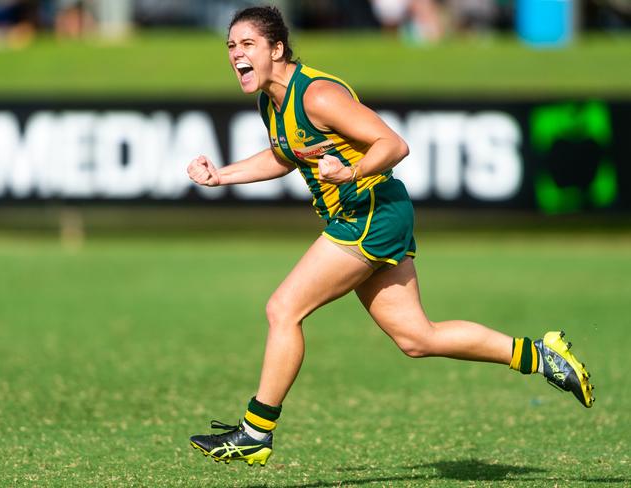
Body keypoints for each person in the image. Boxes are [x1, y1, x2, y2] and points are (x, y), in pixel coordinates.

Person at [187, 5, 594, 467]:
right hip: (372, 215)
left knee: (283, 308)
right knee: (417, 338)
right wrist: (222, 176)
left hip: (370, 213)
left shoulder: (317, 94)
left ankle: (255, 431)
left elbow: (394, 144)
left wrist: (351, 171)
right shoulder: (271, 102)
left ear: (277, 49)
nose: (236, 55)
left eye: (247, 45)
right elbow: (285, 157)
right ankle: (541, 356)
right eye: (231, 47)